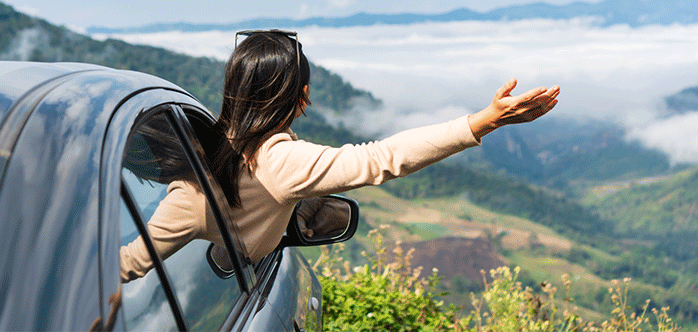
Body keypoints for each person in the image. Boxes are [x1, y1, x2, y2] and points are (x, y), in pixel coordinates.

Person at [120, 30, 559, 282]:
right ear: (303, 96)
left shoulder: (203, 159)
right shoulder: (278, 163)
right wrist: (482, 122)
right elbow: (383, 158)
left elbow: (126, 266)